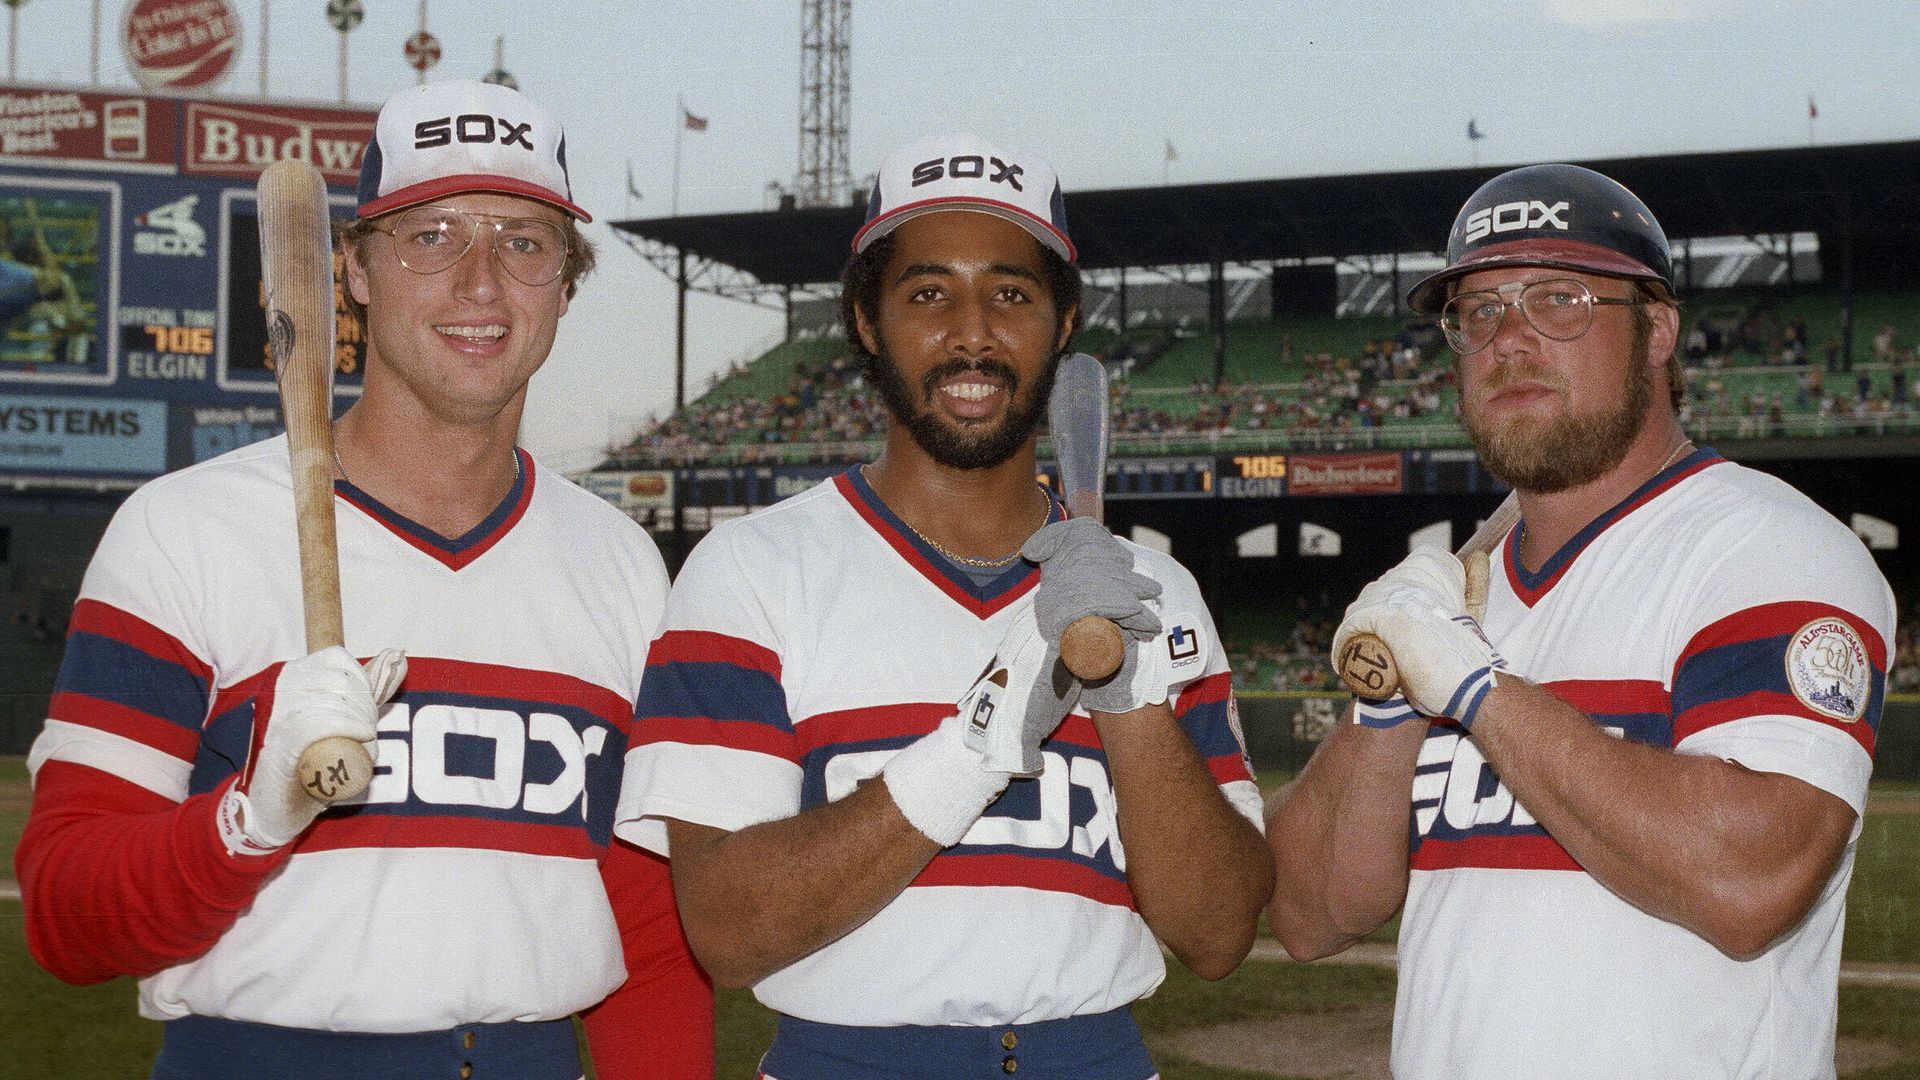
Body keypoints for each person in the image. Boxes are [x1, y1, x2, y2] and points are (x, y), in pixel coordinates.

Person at [14, 80, 711, 1080]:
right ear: (354, 271)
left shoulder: (620, 565)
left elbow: (646, 932)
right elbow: (66, 917)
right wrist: (250, 820)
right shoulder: (185, 532)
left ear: (565, 282)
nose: (480, 282)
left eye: (523, 242)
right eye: (430, 237)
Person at [611, 133, 1271, 1079]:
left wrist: (1130, 700)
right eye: (928, 294)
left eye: (1012, 293)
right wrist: (978, 743)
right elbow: (728, 929)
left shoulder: (1155, 592)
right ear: (866, 322)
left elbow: (1215, 935)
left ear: (1064, 322)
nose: (972, 332)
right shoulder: (750, 569)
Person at [1265, 163, 1894, 1080]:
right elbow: (1311, 913)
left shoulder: (1766, 548)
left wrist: (1476, 689)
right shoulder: (1456, 592)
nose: (1510, 341)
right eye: (1478, 312)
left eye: (1560, 299)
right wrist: (1394, 706)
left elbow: (1751, 882)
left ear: (1657, 330)